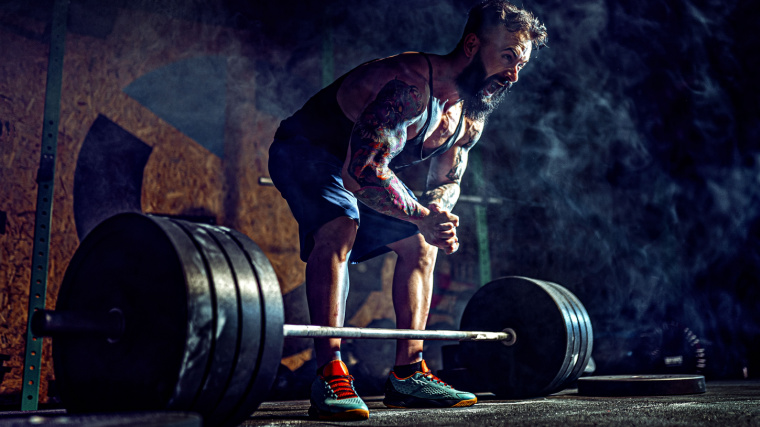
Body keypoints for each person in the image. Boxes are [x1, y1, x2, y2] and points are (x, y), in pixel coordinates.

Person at [268, 0, 547, 420]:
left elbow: (447, 181)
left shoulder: (468, 115)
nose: (513, 74)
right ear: (472, 45)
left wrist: (436, 218)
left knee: (421, 244)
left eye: (521, 64)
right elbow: (361, 171)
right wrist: (421, 214)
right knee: (341, 226)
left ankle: (408, 372)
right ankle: (330, 371)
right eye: (507, 57)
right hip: (307, 152)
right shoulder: (410, 86)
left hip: (360, 166)